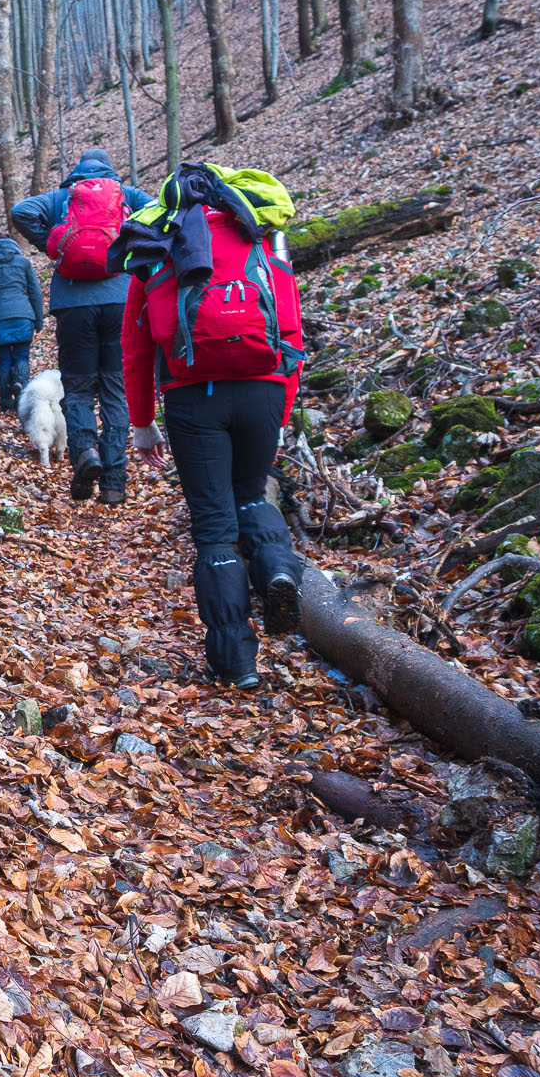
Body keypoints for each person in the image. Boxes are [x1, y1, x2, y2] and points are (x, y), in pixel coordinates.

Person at [116, 163, 305, 690]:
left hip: (192, 395)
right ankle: (277, 570)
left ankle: (237, 661)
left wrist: (142, 425)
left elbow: (135, 349)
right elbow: (291, 334)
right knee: (250, 493)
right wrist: (282, 412)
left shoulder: (156, 247)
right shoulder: (262, 240)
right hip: (262, 385)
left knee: (214, 528)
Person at [10, 148, 153, 505]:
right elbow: (161, 215)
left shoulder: (62, 197)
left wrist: (54, 246)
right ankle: (115, 481)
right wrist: (131, 248)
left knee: (77, 389)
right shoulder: (128, 195)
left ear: (77, 172)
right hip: (121, 299)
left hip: (73, 303)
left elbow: (20, 211)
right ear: (111, 172)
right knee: (114, 389)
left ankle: (85, 454)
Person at [0, 236, 46, 415]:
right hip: (23, 316)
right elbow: (35, 293)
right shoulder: (24, 263)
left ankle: (5, 402)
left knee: (4, 361)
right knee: (22, 357)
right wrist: (39, 322)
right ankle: (20, 385)